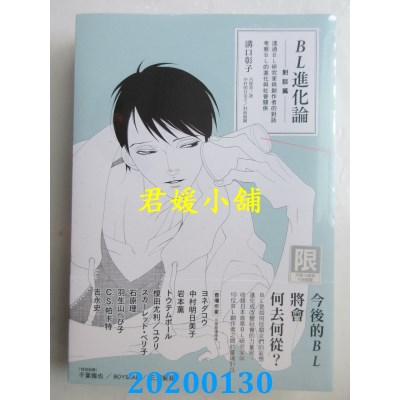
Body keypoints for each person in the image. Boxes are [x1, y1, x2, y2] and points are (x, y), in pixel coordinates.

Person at [69, 64, 315, 370]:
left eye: (187, 145)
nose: (171, 165)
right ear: (127, 153)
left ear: (208, 142)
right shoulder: (80, 174)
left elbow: (272, 348)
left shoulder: (223, 207)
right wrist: (158, 343)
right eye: (148, 151)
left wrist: (301, 216)